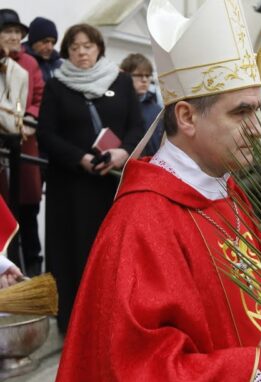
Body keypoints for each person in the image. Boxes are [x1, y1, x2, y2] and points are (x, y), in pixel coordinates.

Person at [47, 0, 261, 382]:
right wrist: (259, 367)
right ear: (186, 116)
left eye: (257, 110)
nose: (256, 129)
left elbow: (256, 305)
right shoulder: (140, 223)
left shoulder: (225, 195)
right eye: (241, 112)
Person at [37, 23, 144, 334]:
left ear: (99, 47)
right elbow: (46, 134)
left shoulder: (121, 82)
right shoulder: (57, 86)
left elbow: (136, 126)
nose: (82, 52)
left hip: (112, 185)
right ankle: (73, 323)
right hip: (71, 187)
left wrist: (122, 152)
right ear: (67, 52)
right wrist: (79, 158)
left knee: (114, 251)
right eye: (74, 47)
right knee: (73, 252)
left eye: (87, 45)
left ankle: (115, 319)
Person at [0, 8, 44, 277]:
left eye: (18, 32)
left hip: (23, 141)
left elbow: (39, 95)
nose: (14, 36)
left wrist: (29, 119)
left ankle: (31, 269)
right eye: (8, 31)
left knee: (26, 208)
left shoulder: (29, 64)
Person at [120, 53, 163, 156]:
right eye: (139, 75)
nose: (144, 80)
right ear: (126, 76)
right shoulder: (116, 106)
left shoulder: (157, 110)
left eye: (148, 76)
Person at [22, 16, 62, 82]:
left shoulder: (60, 65)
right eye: (45, 41)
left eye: (53, 43)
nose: (50, 47)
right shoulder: (19, 62)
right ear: (33, 41)